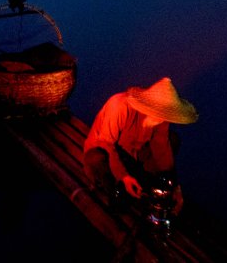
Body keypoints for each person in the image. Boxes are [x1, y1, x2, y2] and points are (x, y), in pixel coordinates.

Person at [83, 77, 198, 215]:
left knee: (172, 140)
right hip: (108, 153)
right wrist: (123, 176)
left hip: (134, 154)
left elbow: (161, 146)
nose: (162, 119)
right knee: (96, 158)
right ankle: (115, 192)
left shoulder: (161, 118)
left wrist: (173, 183)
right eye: (161, 114)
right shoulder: (119, 106)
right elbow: (106, 143)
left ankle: (150, 184)